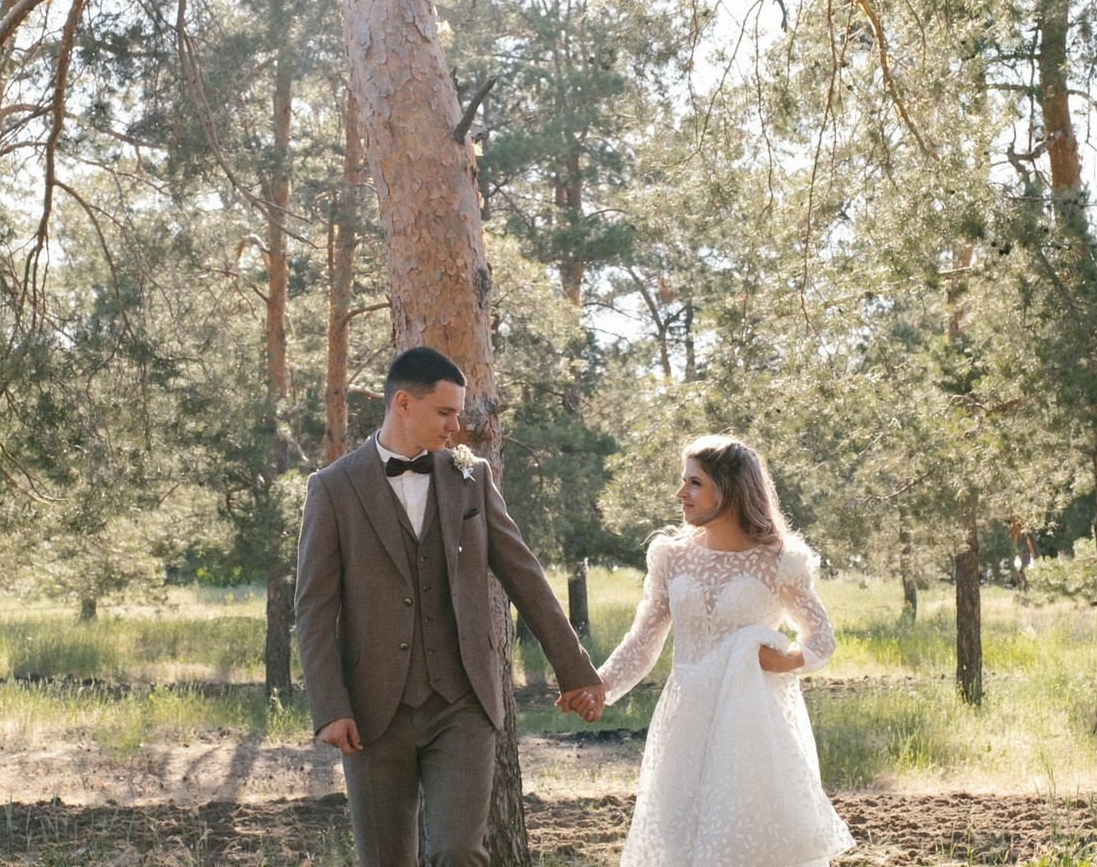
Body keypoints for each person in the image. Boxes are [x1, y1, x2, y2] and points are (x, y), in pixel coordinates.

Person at [294, 345, 605, 867]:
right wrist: (330, 706)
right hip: (372, 712)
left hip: (462, 702)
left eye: (458, 413)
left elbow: (525, 576)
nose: (456, 426)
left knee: (459, 852)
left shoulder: (471, 477)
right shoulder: (332, 489)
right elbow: (315, 608)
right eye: (445, 412)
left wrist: (576, 671)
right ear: (402, 404)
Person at [579, 434, 854, 867]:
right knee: (679, 839)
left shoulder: (779, 561)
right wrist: (600, 686)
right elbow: (643, 639)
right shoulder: (672, 556)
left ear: (728, 489)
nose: (680, 493)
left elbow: (821, 638)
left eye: (694, 483)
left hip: (749, 725)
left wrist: (785, 659)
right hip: (685, 721)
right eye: (683, 481)